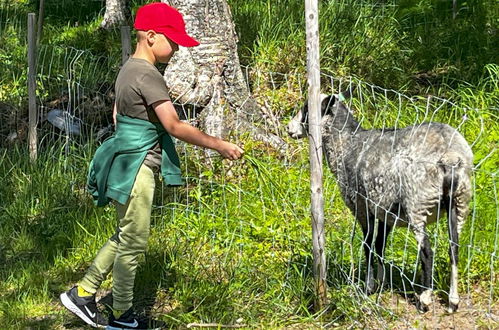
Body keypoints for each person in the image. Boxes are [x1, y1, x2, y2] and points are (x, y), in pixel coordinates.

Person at [60, 2, 244, 329]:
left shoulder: (128, 69)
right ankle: (121, 317)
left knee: (125, 234)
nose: (176, 49)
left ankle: (84, 293)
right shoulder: (150, 77)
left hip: (124, 162)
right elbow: (175, 126)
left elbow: (119, 116)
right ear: (150, 36)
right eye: (172, 42)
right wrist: (221, 145)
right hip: (138, 169)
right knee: (133, 243)